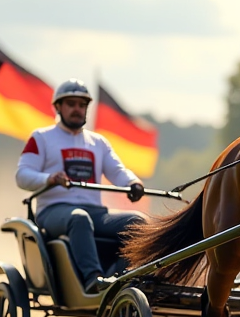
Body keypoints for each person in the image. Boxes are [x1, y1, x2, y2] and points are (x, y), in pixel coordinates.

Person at [16, 79, 146, 295]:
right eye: (71, 104)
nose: (77, 109)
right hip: (54, 211)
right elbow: (22, 175)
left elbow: (117, 170)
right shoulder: (41, 137)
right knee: (79, 218)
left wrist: (133, 182)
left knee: (137, 222)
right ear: (58, 107)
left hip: (95, 213)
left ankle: (121, 276)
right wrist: (49, 178)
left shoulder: (99, 142)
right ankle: (93, 280)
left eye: (82, 105)